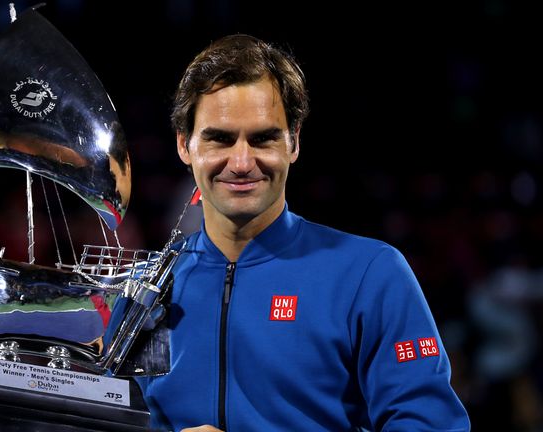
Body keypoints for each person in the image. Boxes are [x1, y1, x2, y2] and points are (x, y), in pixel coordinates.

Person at [135, 34, 470, 431]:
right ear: (184, 145)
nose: (241, 162)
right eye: (220, 138)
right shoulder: (145, 288)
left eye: (263, 138)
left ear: (293, 142)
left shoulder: (370, 274)